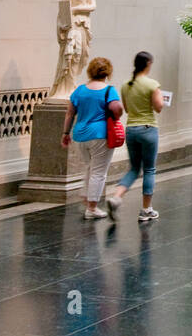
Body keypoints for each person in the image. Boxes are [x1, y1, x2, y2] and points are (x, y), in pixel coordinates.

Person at [61, 57, 122, 219]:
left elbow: (70, 113)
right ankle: (92, 207)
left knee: (90, 167)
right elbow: (116, 108)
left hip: (80, 135)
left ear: (90, 71)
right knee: (99, 172)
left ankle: (86, 196)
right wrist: (118, 112)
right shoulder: (109, 91)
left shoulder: (80, 90)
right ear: (107, 72)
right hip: (100, 135)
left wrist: (65, 133)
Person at [107, 51, 164, 222]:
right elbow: (159, 107)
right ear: (148, 64)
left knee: (133, 168)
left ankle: (117, 196)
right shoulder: (152, 84)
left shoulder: (126, 85)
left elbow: (127, 109)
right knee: (149, 169)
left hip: (131, 129)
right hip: (148, 128)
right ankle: (146, 209)